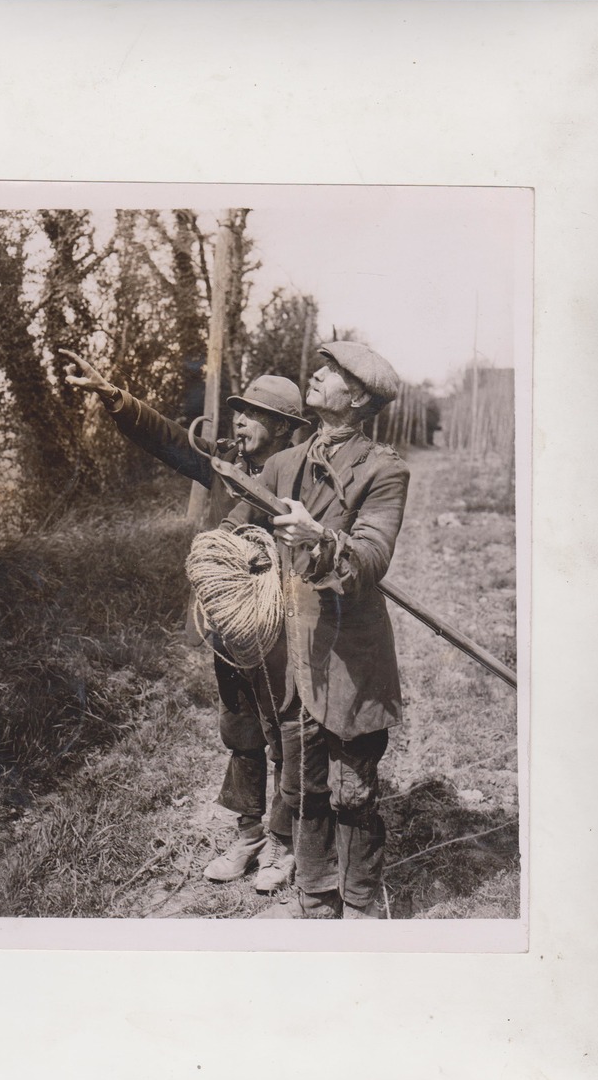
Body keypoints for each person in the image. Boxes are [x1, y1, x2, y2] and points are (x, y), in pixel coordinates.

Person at [60, 348, 310, 891]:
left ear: (287, 428)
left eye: (255, 414)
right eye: (238, 411)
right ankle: (248, 835)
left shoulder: (300, 476)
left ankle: (285, 843)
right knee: (240, 726)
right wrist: (116, 399)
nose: (240, 420)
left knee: (284, 730)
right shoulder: (223, 464)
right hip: (229, 627)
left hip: (280, 628)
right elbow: (170, 439)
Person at [221, 341, 410, 919]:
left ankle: (359, 906)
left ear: (355, 397)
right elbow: (238, 527)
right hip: (294, 653)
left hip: (351, 656)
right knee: (306, 784)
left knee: (353, 790)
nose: (318, 374)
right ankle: (315, 898)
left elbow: (372, 558)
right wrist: (231, 559)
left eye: (331, 372)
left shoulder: (385, 468)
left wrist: (321, 540)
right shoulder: (283, 464)